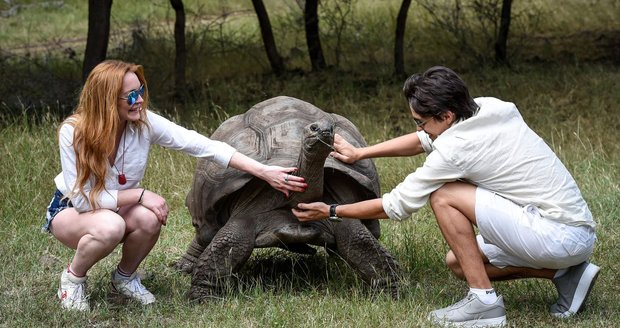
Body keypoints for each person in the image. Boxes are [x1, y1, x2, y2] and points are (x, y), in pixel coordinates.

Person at [292, 66, 599, 327]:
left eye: (421, 121)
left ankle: (484, 304)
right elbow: (423, 139)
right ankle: (566, 273)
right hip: (571, 229)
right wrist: (361, 152)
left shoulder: (455, 150)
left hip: (556, 233)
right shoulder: (490, 107)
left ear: (447, 115)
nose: (420, 128)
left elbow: (396, 205)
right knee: (459, 263)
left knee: (444, 194)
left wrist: (331, 211)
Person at [42, 60, 307, 311]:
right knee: (113, 226)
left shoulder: (143, 123)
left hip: (115, 206)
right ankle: (73, 279)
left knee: (149, 219)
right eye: (130, 96)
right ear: (106, 100)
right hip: (73, 210)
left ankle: (124, 278)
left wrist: (264, 171)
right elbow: (82, 199)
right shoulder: (74, 132)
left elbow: (202, 145)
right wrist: (139, 194)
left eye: (141, 91)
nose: (140, 100)